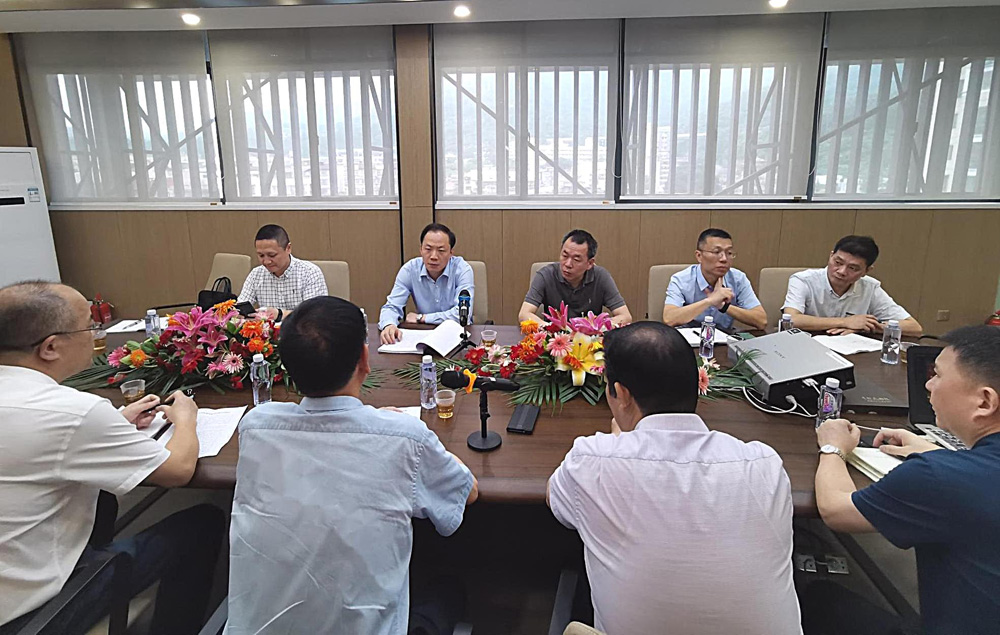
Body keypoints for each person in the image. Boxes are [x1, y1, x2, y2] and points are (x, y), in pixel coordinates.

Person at [228, 295, 478, 634]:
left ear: (287, 367)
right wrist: (406, 435)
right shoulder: (405, 437)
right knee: (447, 588)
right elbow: (467, 492)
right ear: (364, 358)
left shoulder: (256, 427)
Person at [546, 322, 801, 635]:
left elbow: (555, 498)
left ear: (621, 394)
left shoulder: (592, 461)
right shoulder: (764, 465)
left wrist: (618, 443)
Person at [0, 281, 223, 635]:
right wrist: (186, 419)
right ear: (50, 347)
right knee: (203, 524)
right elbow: (178, 470)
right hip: (33, 615)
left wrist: (114, 422)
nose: (96, 335)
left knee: (103, 502)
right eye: (90, 327)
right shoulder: (72, 411)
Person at [808, 325, 1000, 635]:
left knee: (818, 597)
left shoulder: (937, 477)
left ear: (984, 402)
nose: (928, 384)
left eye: (937, 376)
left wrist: (832, 446)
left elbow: (836, 510)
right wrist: (934, 451)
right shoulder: (951, 471)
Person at [782, 235, 922, 336]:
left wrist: (868, 327)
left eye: (853, 268)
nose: (842, 271)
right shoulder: (803, 280)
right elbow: (791, 319)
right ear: (831, 256)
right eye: (838, 262)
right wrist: (845, 322)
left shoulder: (870, 287)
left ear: (867, 271)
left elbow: (914, 327)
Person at [379, 223, 475, 346]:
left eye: (441, 251)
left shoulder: (462, 270)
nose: (433, 256)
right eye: (428, 249)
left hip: (457, 337)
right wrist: (389, 325)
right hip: (423, 336)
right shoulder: (410, 270)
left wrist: (421, 318)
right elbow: (392, 306)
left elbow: (462, 315)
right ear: (421, 250)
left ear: (451, 253)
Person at [518, 229, 632, 326]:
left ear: (590, 263)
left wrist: (595, 328)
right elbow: (524, 314)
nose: (568, 264)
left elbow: (625, 316)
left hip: (590, 340)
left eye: (576, 259)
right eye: (565, 255)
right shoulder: (545, 275)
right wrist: (551, 329)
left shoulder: (601, 277)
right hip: (555, 339)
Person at [662, 228, 767, 331]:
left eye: (729, 253)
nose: (724, 259)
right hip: (688, 339)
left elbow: (761, 321)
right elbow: (669, 319)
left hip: (724, 338)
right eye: (716, 252)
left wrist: (724, 306)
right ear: (699, 256)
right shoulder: (681, 280)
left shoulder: (738, 279)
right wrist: (710, 301)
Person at [238, 224, 328, 322]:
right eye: (261, 255)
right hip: (266, 331)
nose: (266, 261)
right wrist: (239, 315)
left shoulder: (309, 273)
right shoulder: (256, 274)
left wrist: (279, 314)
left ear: (288, 248)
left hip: (299, 330)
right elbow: (240, 306)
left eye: (272, 255)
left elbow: (315, 315)